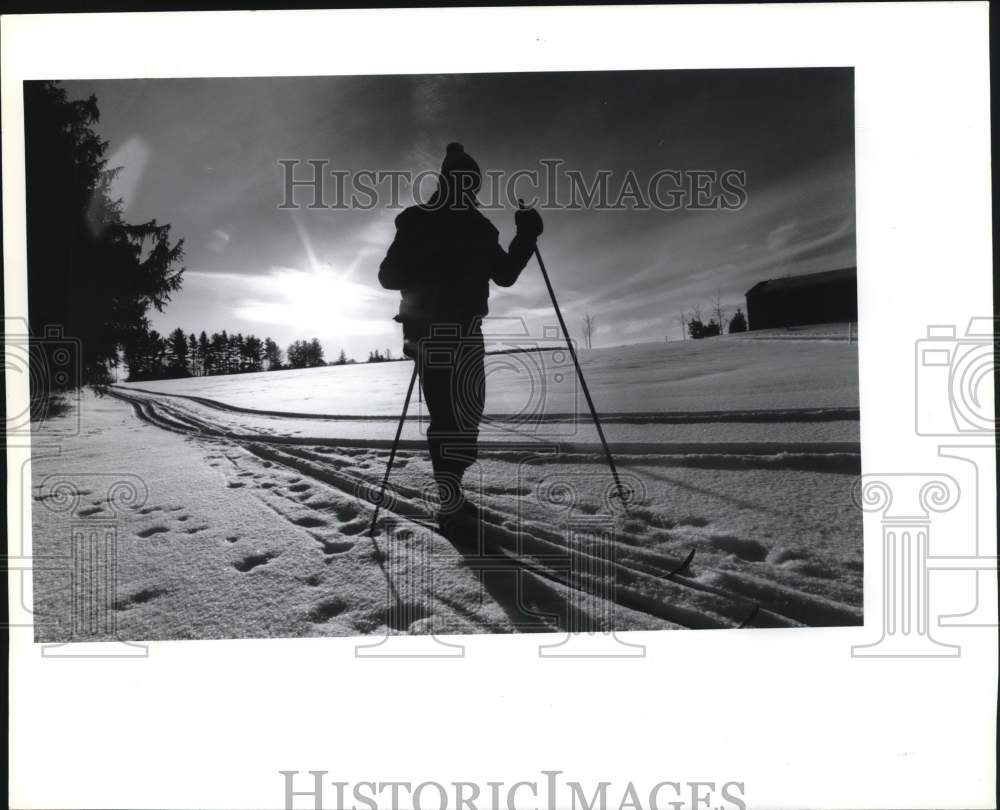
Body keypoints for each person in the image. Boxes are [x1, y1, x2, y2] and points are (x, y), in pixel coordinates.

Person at [379, 142, 543, 537]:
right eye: (461, 179)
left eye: (473, 182)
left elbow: (503, 274)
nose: (468, 188)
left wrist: (526, 235)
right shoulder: (417, 220)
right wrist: (427, 257)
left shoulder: (481, 228)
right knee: (449, 420)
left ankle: (453, 490)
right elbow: (388, 277)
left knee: (468, 418)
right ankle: (450, 505)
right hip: (430, 334)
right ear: (447, 179)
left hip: (470, 333)